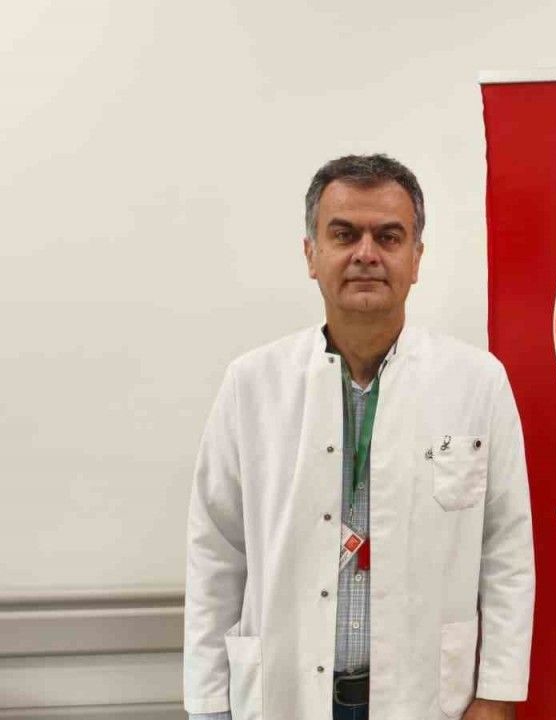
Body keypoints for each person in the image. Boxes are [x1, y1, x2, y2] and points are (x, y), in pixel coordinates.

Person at [183, 154, 534, 720]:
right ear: (311, 254)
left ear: (416, 259)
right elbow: (216, 552)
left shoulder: (477, 382)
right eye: (344, 234)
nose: (366, 254)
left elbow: (506, 550)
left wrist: (496, 694)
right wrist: (207, 703)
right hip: (285, 694)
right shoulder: (252, 384)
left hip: (426, 697)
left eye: (389, 237)